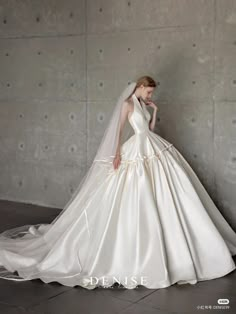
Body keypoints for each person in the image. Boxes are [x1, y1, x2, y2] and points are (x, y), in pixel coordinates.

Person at [0, 76, 236, 290]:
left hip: (151, 144)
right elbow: (120, 130)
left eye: (151, 94)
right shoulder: (127, 105)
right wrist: (116, 154)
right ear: (141, 87)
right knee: (134, 191)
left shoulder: (143, 105)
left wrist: (154, 110)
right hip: (135, 149)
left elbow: (149, 129)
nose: (150, 96)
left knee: (162, 189)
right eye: (149, 92)